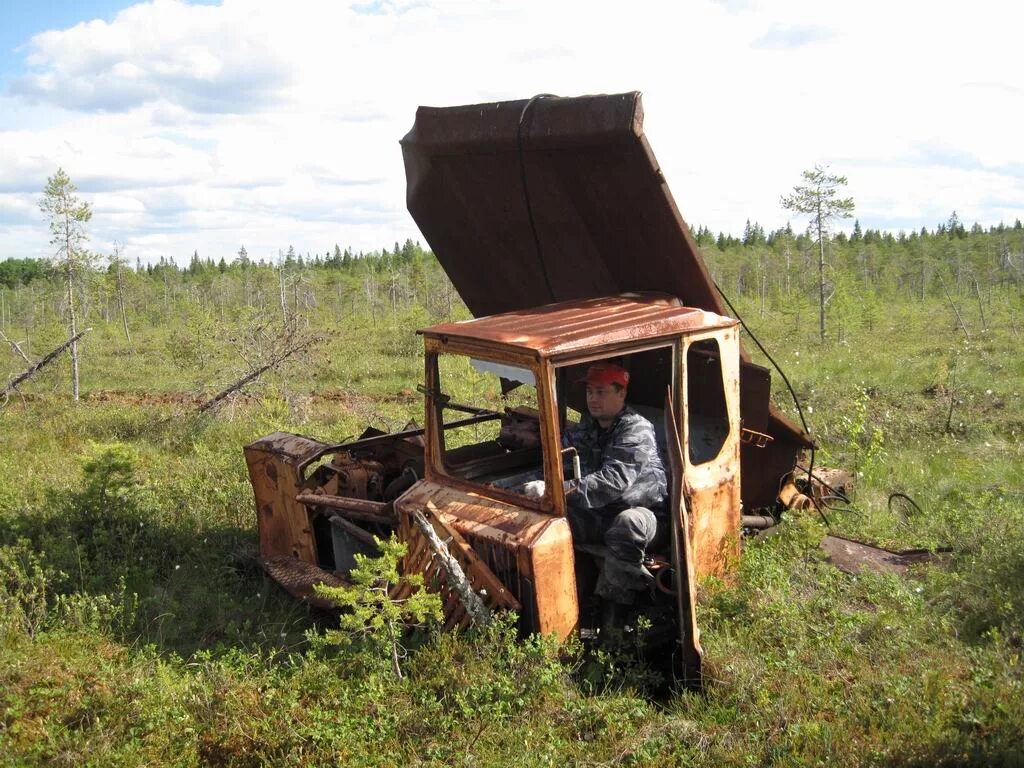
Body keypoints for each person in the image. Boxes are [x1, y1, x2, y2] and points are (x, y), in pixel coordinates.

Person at [524, 362, 668, 620]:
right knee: (552, 525)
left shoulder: (637, 429)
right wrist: (515, 488)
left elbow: (612, 482)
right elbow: (555, 465)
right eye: (590, 392)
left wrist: (554, 490)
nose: (593, 399)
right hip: (602, 511)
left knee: (628, 525)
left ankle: (615, 620)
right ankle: (562, 607)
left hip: (647, 514)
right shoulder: (587, 428)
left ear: (621, 394)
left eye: (601, 392)